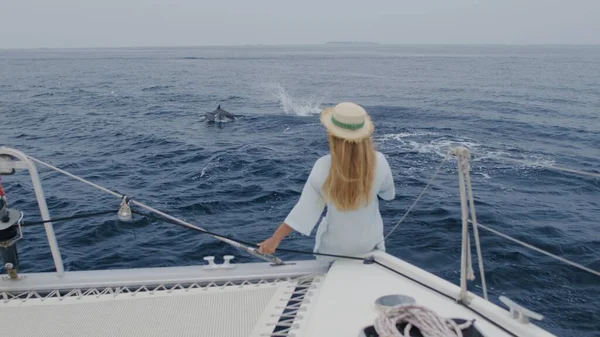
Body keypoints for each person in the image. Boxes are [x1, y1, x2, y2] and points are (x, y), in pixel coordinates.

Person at [258, 102, 395, 263]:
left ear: (332, 135)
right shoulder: (380, 161)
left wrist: (275, 239)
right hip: (371, 248)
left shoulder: (322, 166)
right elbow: (389, 195)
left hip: (332, 253)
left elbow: (303, 213)